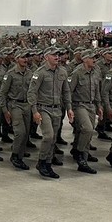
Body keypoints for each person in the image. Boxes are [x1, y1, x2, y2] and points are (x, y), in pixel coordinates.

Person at [27, 47, 73, 179]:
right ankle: (41, 162)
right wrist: (34, 111)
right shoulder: (40, 73)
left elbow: (66, 92)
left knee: (53, 139)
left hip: (57, 109)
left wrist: (69, 108)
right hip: (43, 108)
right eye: (54, 55)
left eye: (58, 55)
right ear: (46, 57)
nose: (57, 57)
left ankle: (48, 163)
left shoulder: (62, 72)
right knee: (48, 136)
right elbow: (32, 92)